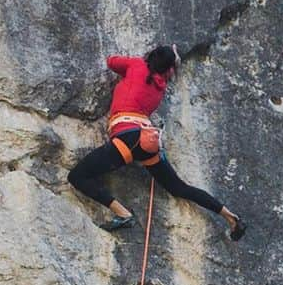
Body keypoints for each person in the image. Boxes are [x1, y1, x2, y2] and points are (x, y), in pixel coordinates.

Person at [67, 45, 247, 240]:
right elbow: (164, 72)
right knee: (179, 187)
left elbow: (111, 62)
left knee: (77, 176)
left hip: (128, 137)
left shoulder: (137, 65)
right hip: (149, 141)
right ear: (169, 69)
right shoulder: (161, 87)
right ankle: (231, 217)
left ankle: (123, 214)